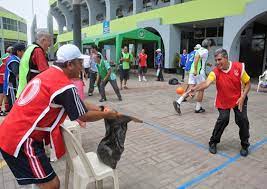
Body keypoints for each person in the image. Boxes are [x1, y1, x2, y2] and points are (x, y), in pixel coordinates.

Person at [0, 44, 122, 189]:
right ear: (70, 64)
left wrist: (101, 108)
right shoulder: (64, 85)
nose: (82, 67)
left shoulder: (50, 74)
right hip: (22, 139)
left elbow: (78, 102)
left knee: (43, 182)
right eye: (80, 63)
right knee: (52, 184)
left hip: (15, 132)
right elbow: (83, 115)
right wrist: (106, 114)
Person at [189, 48, 251, 157]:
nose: (217, 63)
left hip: (239, 99)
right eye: (216, 60)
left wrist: (243, 97)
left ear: (226, 58)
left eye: (219, 59)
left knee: (242, 120)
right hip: (223, 99)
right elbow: (207, 83)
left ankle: (245, 145)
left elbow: (248, 83)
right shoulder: (215, 72)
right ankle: (213, 142)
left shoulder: (238, 67)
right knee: (223, 119)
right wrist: (195, 88)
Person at [173, 39, 213, 115]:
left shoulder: (195, 51)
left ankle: (179, 101)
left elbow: (198, 59)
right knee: (201, 89)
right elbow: (197, 58)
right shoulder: (205, 50)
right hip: (198, 72)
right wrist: (195, 69)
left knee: (193, 89)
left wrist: (194, 69)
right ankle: (198, 108)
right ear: (208, 46)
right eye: (210, 46)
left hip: (192, 72)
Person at [16, 30, 52, 98]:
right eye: (49, 42)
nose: (49, 46)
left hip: (24, 89)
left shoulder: (30, 49)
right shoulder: (38, 51)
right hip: (32, 91)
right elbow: (45, 72)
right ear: (43, 40)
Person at [3, 43, 26, 110]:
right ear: (18, 52)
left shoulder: (14, 59)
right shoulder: (14, 61)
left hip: (13, 86)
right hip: (11, 87)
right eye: (23, 51)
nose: (24, 53)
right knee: (14, 107)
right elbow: (18, 74)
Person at [0, 46, 13, 115]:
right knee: (2, 93)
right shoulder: (8, 57)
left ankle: (7, 107)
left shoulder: (3, 56)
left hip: (2, 77)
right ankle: (5, 108)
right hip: (3, 77)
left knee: (4, 92)